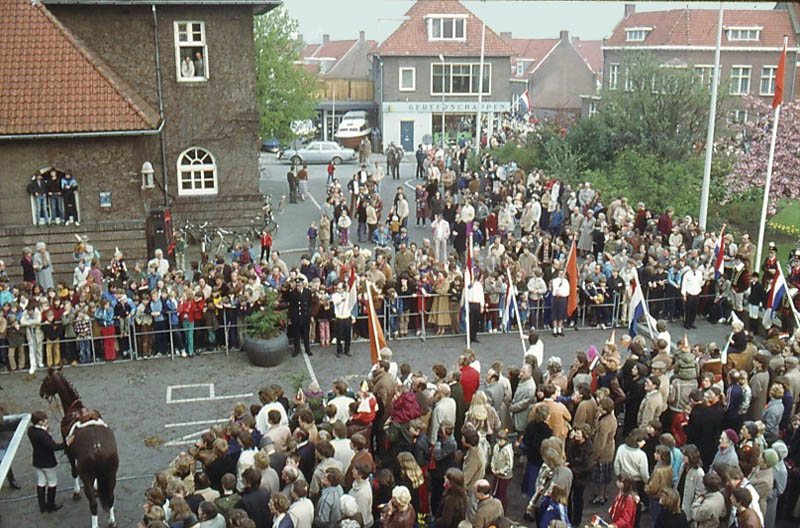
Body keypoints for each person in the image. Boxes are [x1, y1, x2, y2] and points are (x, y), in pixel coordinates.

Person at [27, 410, 64, 513]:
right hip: (47, 462)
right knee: (52, 482)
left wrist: (45, 430)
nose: (46, 420)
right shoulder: (43, 434)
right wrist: (66, 444)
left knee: (41, 482)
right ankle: (51, 506)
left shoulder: (31, 430)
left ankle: (42, 506)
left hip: (37, 460)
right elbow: (53, 446)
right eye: (44, 420)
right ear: (40, 421)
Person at [286, 278, 312, 358]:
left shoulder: (307, 292)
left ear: (303, 285)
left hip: (305, 317)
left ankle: (307, 349)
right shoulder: (292, 293)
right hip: (296, 317)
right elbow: (291, 307)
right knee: (296, 335)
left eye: (299, 286)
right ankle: (296, 350)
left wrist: (310, 315)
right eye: (297, 286)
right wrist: (290, 317)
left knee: (306, 335)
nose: (298, 287)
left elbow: (309, 304)